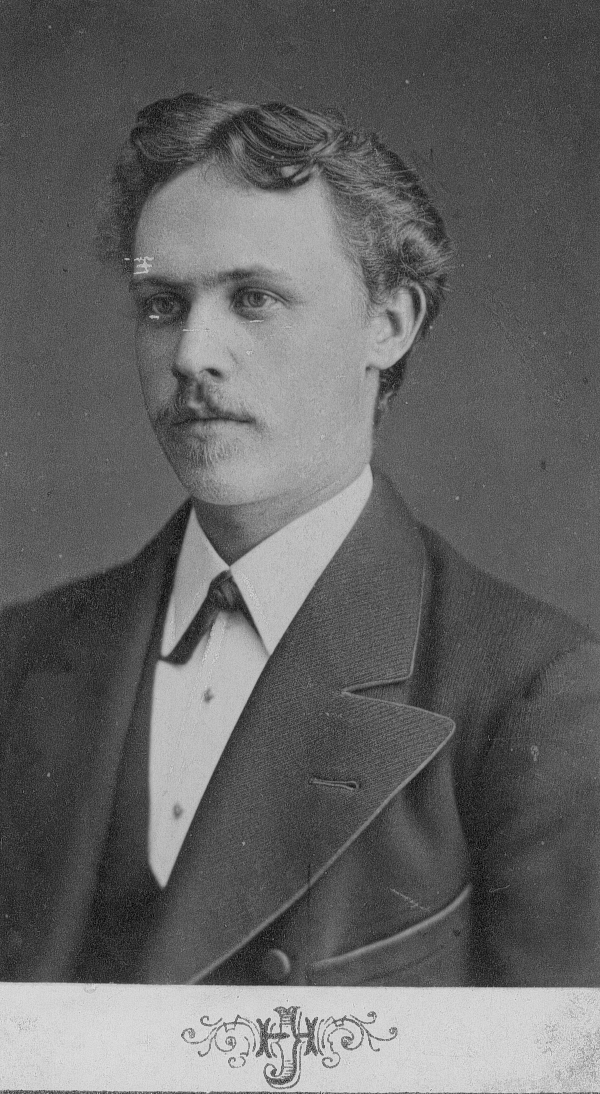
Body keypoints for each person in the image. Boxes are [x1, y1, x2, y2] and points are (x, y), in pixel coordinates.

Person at [2, 93, 600, 988]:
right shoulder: (18, 657)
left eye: (254, 299)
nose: (193, 354)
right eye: (163, 304)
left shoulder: (531, 695)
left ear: (388, 323)